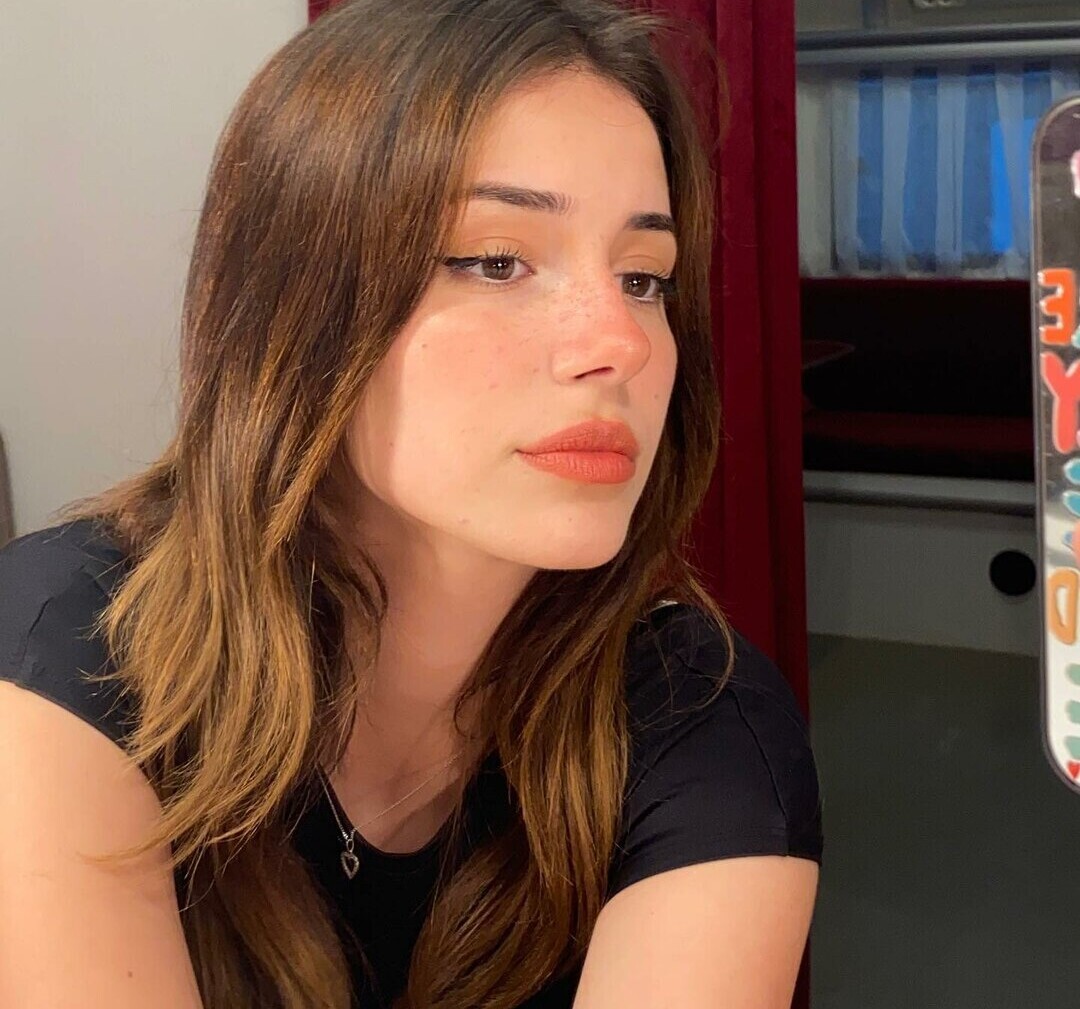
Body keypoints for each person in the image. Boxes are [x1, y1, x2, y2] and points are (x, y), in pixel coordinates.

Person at [0, 0, 823, 1006]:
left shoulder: (701, 717)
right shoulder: (65, 645)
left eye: (645, 277)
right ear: (296, 308)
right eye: (496, 260)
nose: (621, 341)